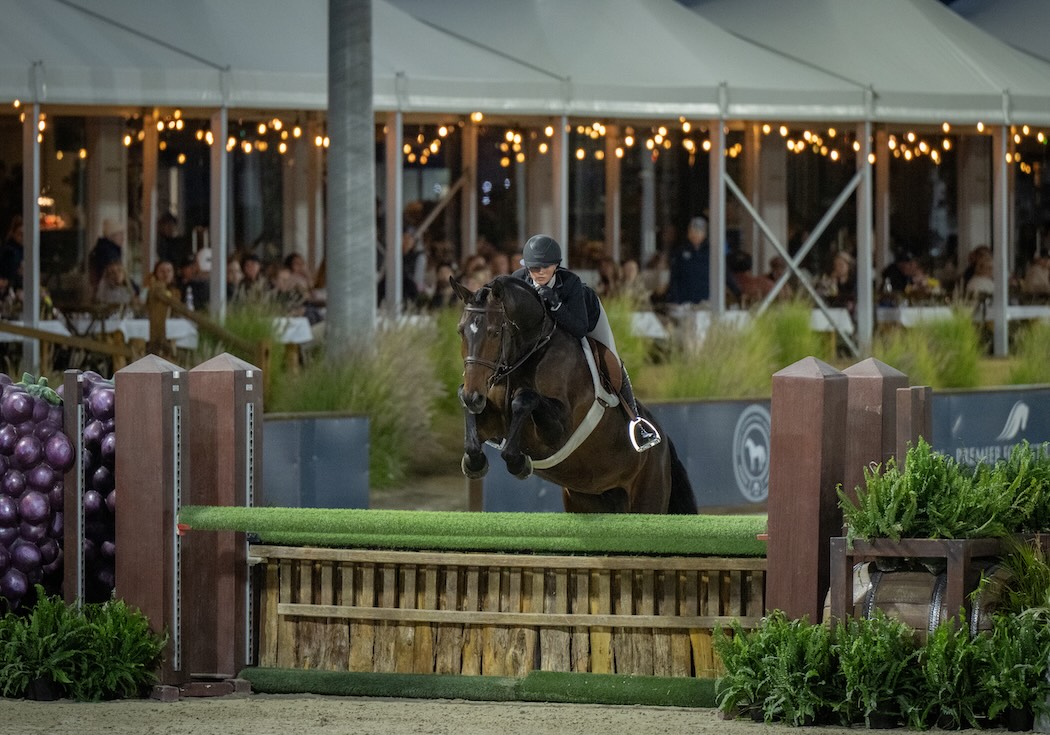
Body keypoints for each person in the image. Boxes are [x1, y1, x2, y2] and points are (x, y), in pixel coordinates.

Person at [511, 234, 660, 452]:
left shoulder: (571, 283)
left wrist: (556, 304)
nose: (540, 272)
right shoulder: (518, 281)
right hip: (544, 332)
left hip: (587, 318)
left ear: (556, 265)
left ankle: (636, 422)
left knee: (610, 359)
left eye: (545, 267)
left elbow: (579, 328)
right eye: (534, 268)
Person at [666, 216, 710, 306]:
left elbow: (724, 273)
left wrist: (737, 292)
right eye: (692, 231)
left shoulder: (711, 252)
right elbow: (674, 277)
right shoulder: (680, 251)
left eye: (698, 231)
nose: (694, 234)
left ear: (704, 234)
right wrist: (674, 298)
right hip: (684, 300)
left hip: (705, 300)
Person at [88, 219, 125, 290]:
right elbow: (117, 277)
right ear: (111, 236)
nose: (123, 238)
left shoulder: (100, 249)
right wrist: (135, 290)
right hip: (109, 291)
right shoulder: (109, 253)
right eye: (120, 234)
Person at [0, 215, 24, 290]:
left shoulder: (23, 249)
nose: (23, 237)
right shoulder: (10, 251)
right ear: (13, 234)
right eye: (20, 234)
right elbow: (10, 275)